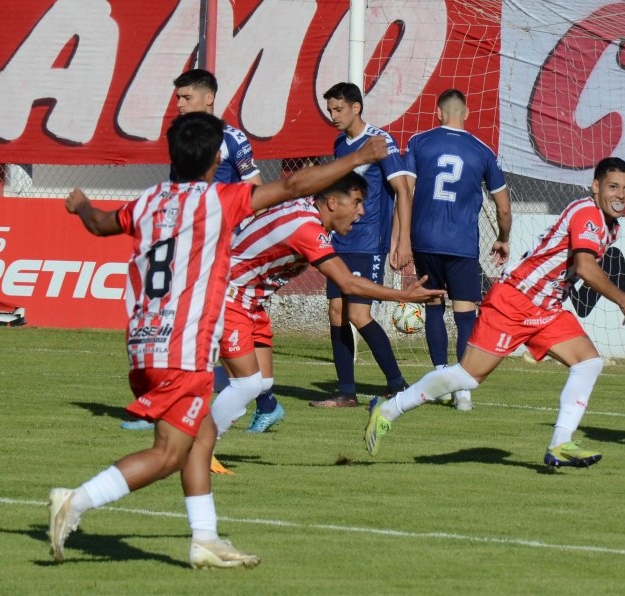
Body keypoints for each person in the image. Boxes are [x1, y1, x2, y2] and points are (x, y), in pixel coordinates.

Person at [48, 111, 390, 567]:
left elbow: (99, 223)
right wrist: (360, 156)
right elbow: (292, 186)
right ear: (215, 160)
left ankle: (205, 539)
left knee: (201, 436)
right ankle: (75, 501)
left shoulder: (149, 200)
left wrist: (80, 205)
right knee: (170, 453)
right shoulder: (216, 200)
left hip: (144, 338)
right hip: (184, 343)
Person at [364, 157, 625, 470]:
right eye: (613, 187)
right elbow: (585, 267)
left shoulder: (610, 225)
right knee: (468, 377)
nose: (621, 195)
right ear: (596, 187)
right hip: (515, 301)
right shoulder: (588, 214)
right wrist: (622, 299)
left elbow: (577, 267)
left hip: (545, 308)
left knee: (588, 362)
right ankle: (388, 410)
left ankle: (560, 444)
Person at [210, 173, 444, 456]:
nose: (362, 211)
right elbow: (348, 283)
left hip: (250, 302)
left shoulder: (310, 214)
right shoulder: (306, 227)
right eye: (357, 202)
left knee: (262, 384)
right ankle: (199, 450)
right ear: (333, 203)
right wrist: (402, 296)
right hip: (226, 294)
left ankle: (185, 379)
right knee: (247, 385)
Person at [122, 68, 271, 432]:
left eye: (186, 97)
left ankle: (174, 406)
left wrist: (242, 238)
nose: (179, 104)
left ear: (209, 99)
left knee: (201, 328)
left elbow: (255, 189)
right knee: (184, 326)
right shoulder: (182, 137)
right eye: (177, 98)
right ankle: (261, 400)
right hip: (188, 248)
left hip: (222, 252)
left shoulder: (231, 139)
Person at [403, 88, 511, 411]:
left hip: (424, 239)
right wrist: (503, 237)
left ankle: (438, 380)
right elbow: (503, 208)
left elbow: (404, 192)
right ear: (466, 113)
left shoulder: (418, 142)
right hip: (462, 244)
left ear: (438, 113)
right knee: (465, 314)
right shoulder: (483, 151)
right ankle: (463, 391)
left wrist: (401, 238)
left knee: (434, 307)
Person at [309, 82, 414, 408]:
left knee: (357, 313)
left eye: (338, 109)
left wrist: (403, 240)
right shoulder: (340, 144)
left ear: (356, 107)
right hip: (339, 240)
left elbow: (403, 190)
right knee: (336, 311)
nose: (333, 115)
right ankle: (346, 392)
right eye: (330, 110)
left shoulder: (380, 142)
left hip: (369, 242)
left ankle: (398, 384)